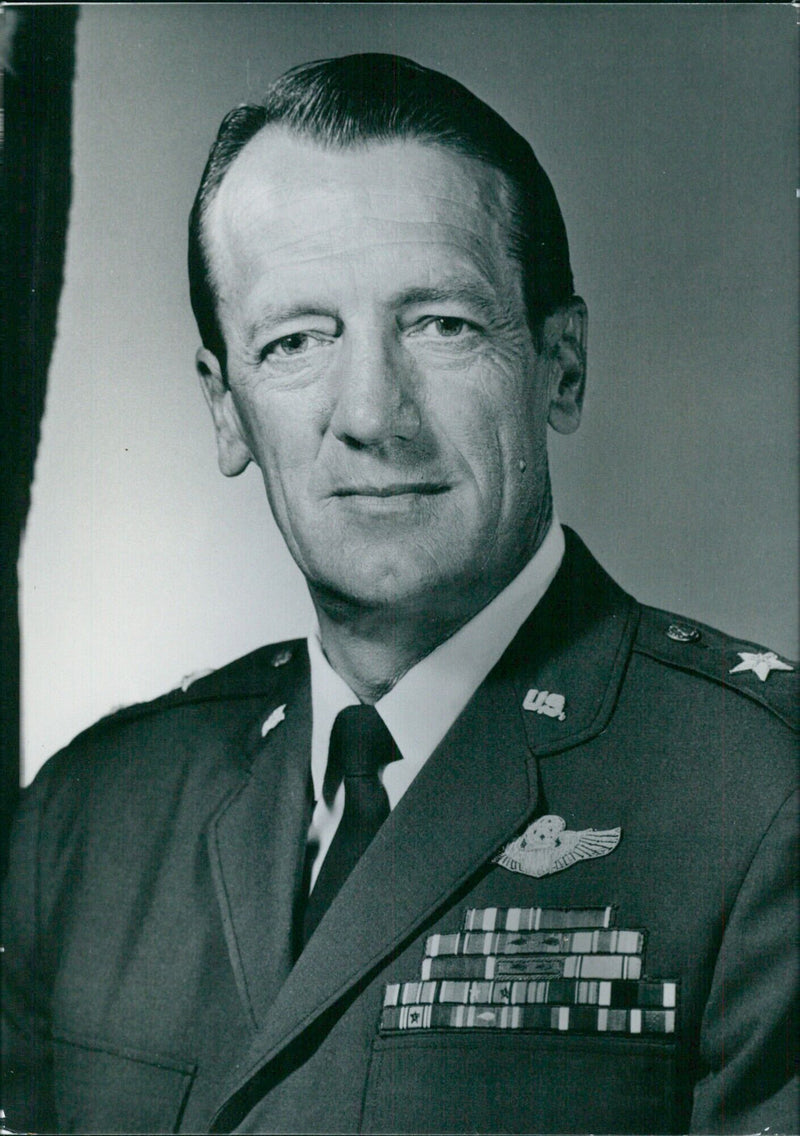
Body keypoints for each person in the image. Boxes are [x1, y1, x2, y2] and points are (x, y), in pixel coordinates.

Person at [2, 53, 796, 1136]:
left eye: (440, 324)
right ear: (225, 410)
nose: (372, 412)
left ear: (559, 365)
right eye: (295, 341)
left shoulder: (758, 798)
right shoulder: (88, 822)